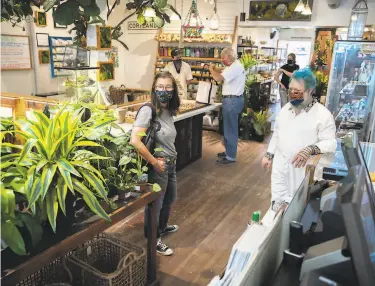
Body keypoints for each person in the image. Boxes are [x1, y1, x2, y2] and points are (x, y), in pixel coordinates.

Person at [262, 68, 336, 211]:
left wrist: (310, 149)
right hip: (280, 166)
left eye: (297, 90)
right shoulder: (285, 110)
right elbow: (277, 133)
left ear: (310, 90)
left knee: (297, 209)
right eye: (290, 89)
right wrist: (269, 154)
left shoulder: (323, 115)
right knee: (277, 206)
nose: (292, 94)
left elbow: (330, 142)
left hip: (302, 171)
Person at [130, 72, 180, 256]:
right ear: (154, 88)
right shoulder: (148, 109)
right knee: (155, 205)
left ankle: (162, 227)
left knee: (169, 199)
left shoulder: (167, 109)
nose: (164, 90)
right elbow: (135, 140)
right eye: (160, 87)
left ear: (173, 90)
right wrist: (153, 162)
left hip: (170, 164)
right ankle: (153, 238)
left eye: (168, 87)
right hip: (157, 166)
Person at [209, 48, 246, 165]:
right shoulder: (234, 66)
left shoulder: (235, 67)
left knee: (230, 128)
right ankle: (229, 151)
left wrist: (211, 69)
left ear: (229, 56)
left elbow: (218, 78)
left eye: (223, 57)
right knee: (228, 127)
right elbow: (224, 70)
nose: (222, 60)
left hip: (232, 101)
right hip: (232, 100)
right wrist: (217, 68)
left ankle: (231, 156)